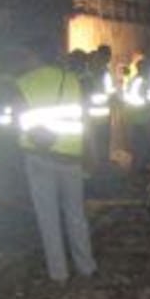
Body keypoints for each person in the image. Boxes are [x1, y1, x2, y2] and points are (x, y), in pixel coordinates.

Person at [14, 40, 97, 283]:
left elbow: (19, 120)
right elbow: (84, 118)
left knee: (48, 217)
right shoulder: (71, 80)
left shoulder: (23, 83)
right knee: (75, 213)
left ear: (33, 55)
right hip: (71, 155)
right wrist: (90, 151)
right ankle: (87, 267)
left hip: (38, 157)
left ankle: (59, 274)